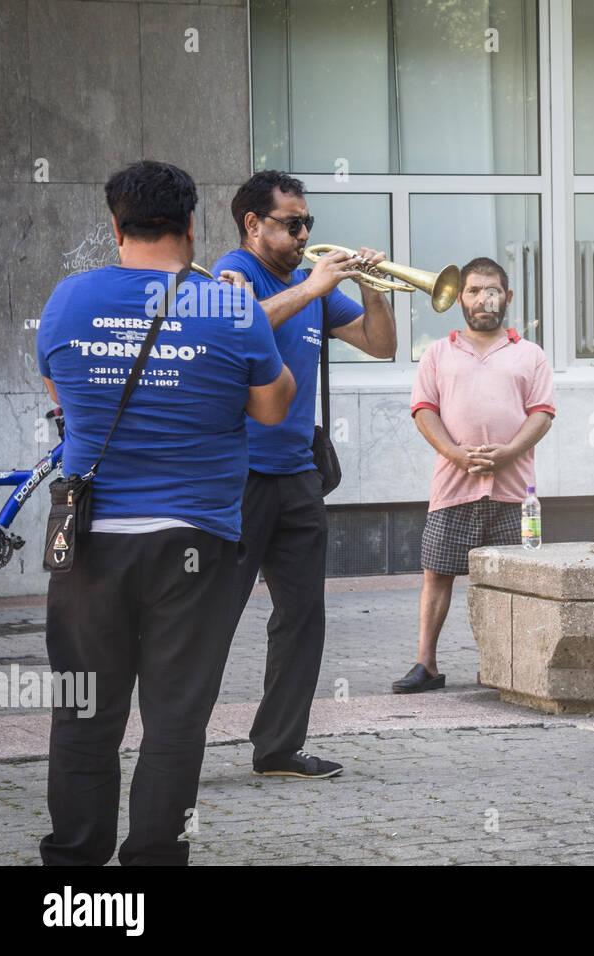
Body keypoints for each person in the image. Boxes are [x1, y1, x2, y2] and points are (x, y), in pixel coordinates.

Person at [35, 160, 295, 864]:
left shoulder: (68, 300)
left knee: (85, 715)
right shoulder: (227, 305)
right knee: (176, 719)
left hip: (91, 544)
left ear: (115, 226)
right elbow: (273, 410)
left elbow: (64, 389)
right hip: (196, 543)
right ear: (191, 226)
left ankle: (75, 876)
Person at [213, 171, 396, 779]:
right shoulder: (230, 273)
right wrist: (314, 285)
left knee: (302, 616)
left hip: (297, 474)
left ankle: (278, 748)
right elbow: (231, 327)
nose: (303, 234)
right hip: (236, 475)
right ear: (254, 224)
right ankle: (178, 743)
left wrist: (372, 287)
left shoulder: (310, 283)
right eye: (293, 223)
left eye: (307, 223)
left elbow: (380, 345)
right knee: (213, 615)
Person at [393, 257, 555, 693]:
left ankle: (505, 667)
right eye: (474, 290)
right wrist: (457, 456)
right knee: (436, 574)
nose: (484, 298)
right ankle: (426, 664)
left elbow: (542, 414)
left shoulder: (529, 353)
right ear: (459, 298)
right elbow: (423, 411)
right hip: (453, 485)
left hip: (515, 490)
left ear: (508, 297)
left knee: (513, 580)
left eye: (493, 290)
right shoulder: (438, 352)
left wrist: (507, 453)